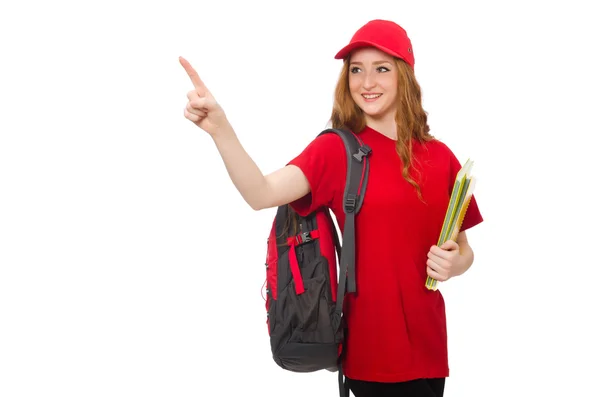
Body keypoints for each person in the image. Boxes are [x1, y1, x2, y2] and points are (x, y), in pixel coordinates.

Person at [180, 19, 483, 397]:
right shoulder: (338, 151)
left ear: (405, 75)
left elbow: (463, 246)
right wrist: (220, 129)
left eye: (381, 69)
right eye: (356, 70)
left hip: (429, 346)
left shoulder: (441, 158)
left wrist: (457, 263)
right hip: (371, 352)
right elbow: (261, 193)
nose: (366, 82)